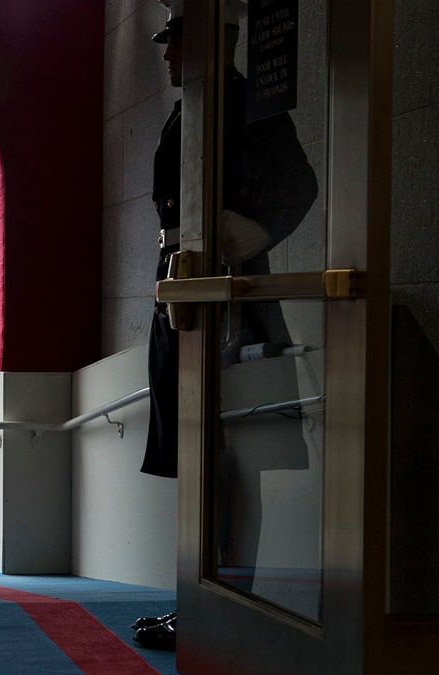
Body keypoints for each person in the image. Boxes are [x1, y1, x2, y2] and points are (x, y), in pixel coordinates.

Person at [134, 0, 318, 651]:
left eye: (175, 40)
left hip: (228, 305)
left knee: (232, 466)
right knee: (203, 463)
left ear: (214, 40)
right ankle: (201, 597)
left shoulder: (241, 104)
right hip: (187, 300)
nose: (167, 54)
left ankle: (228, 601)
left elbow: (299, 185)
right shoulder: (198, 108)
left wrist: (250, 235)